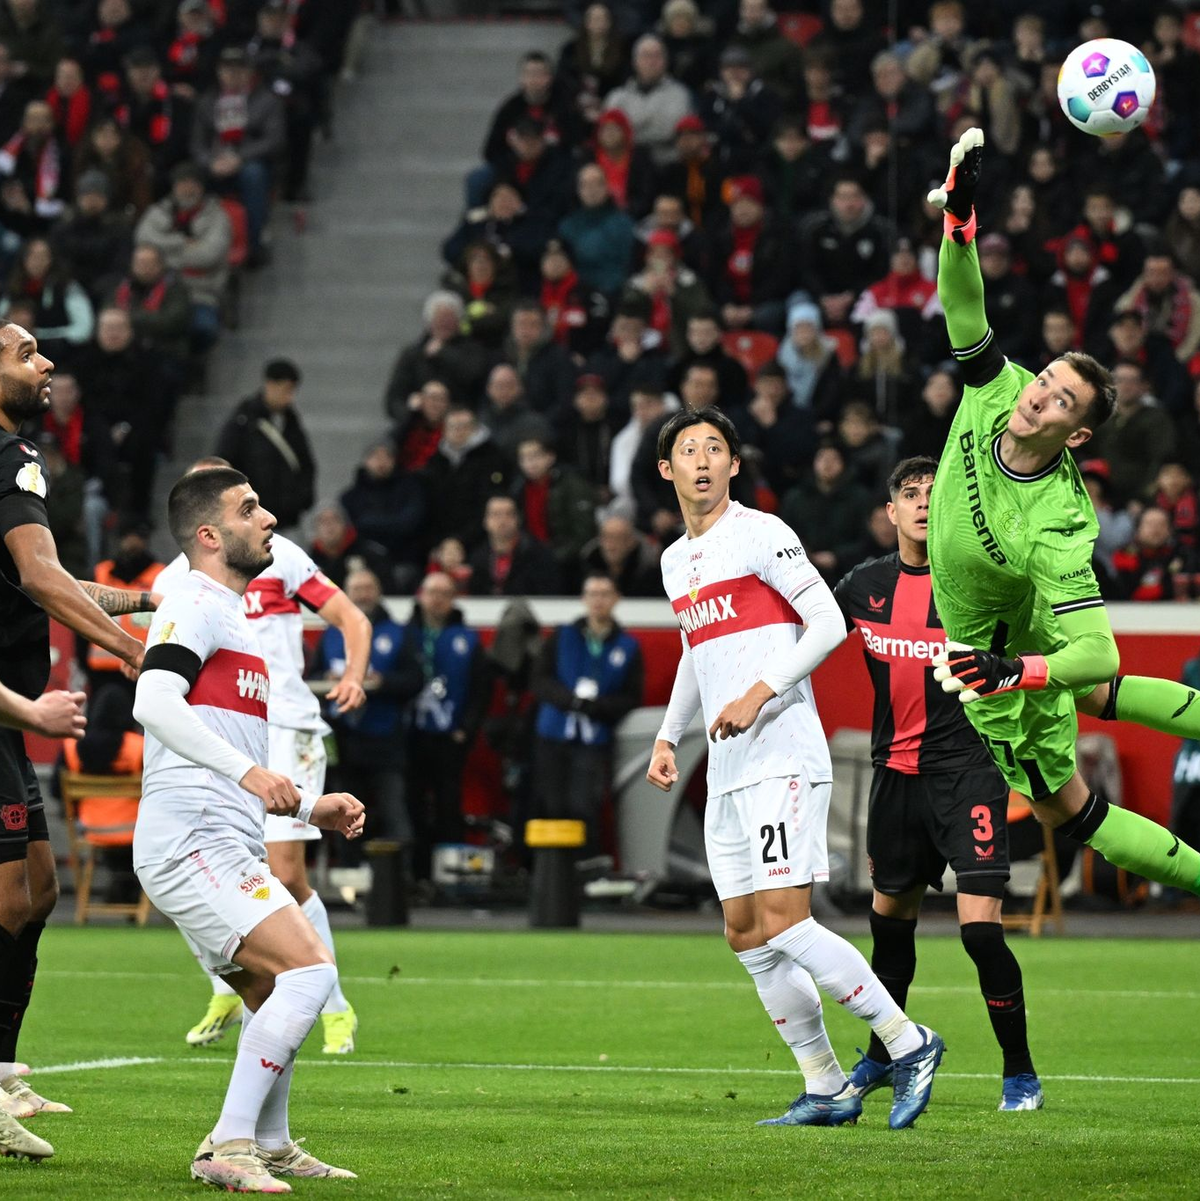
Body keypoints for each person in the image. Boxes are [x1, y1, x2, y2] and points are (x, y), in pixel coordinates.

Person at [646, 404, 945, 1130]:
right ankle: (826, 1084)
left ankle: (911, 1042)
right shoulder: (673, 560)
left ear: (734, 464)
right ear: (668, 469)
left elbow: (829, 622)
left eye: (716, 447)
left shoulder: (762, 532)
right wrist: (667, 734)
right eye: (690, 450)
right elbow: (697, 649)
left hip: (781, 751)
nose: (704, 459)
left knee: (786, 919)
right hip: (725, 766)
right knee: (746, 930)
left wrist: (761, 690)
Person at [924, 128, 1200, 899]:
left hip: (1000, 662)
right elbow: (961, 296)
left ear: (1076, 434)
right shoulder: (996, 387)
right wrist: (960, 220)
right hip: (1006, 637)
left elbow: (1100, 648)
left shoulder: (1056, 524)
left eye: (1059, 399)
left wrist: (1019, 672)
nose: (1037, 393)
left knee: (1065, 807)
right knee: (1100, 697)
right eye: (1045, 377)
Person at [132, 467, 363, 1188]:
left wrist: (304, 806)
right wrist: (249, 774)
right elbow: (154, 702)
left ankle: (270, 1140)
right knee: (311, 970)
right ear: (209, 534)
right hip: (191, 838)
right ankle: (227, 1145)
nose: (268, 518)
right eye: (249, 508)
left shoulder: (237, 618)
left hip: (219, 837)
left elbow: (220, 741)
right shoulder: (193, 603)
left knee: (273, 993)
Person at [834, 456, 1042, 1112]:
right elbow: (800, 635)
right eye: (910, 493)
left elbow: (1036, 646)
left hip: (968, 775)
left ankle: (1020, 1073)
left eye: (935, 492)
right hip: (894, 780)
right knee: (888, 932)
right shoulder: (861, 587)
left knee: (980, 930)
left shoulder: (980, 586)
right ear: (889, 511)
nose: (924, 502)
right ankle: (879, 1057)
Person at [0, 320, 151, 1161]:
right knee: (10, 899)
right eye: (24, 353)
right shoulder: (10, 459)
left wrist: (140, 607)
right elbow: (41, 578)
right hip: (7, 709)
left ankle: (3, 1070)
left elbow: (48, 580)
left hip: (11, 713)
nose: (46, 360)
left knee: (42, 887)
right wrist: (126, 649)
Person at [314, 568, 423, 866]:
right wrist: (326, 678)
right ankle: (351, 876)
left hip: (386, 737)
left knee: (393, 809)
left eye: (368, 587)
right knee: (346, 812)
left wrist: (381, 681)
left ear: (378, 591)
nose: (362, 593)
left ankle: (401, 880)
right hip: (345, 737)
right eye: (356, 587)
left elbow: (415, 680)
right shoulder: (332, 633)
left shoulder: (399, 633)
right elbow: (310, 679)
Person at [531, 572, 643, 855]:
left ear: (616, 599)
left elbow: (631, 697)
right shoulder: (562, 635)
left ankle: (585, 871)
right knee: (551, 804)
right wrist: (570, 701)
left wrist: (597, 707)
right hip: (553, 735)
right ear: (584, 599)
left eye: (605, 594)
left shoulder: (628, 646)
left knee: (585, 805)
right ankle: (551, 871)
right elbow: (540, 680)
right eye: (592, 594)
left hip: (595, 740)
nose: (598, 600)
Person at [402, 571, 490, 882]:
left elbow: (482, 690)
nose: (437, 599)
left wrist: (466, 729)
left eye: (444, 593)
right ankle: (417, 873)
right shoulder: (406, 635)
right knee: (411, 802)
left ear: (453, 599)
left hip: (449, 737)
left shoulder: (467, 638)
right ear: (420, 595)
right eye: (432, 592)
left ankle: (447, 875)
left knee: (448, 803)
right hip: (410, 734)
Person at [214, 358, 316, 533]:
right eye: (285, 390)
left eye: (292, 391)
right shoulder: (243, 421)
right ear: (270, 384)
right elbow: (226, 463)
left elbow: (305, 463)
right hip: (253, 518)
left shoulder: (291, 423)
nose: (289, 397)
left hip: (287, 519)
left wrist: (301, 500)